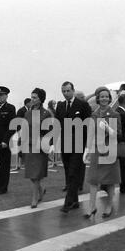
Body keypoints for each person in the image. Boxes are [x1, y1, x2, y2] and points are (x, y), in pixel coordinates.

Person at [83, 86, 121, 218]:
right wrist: (87, 149)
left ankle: (109, 206)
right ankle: (91, 207)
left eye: (106, 96)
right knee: (93, 180)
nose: (104, 98)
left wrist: (108, 129)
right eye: (101, 96)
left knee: (110, 181)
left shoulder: (115, 114)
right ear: (98, 99)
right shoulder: (93, 115)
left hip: (109, 150)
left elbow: (118, 134)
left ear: (109, 98)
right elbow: (90, 133)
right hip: (96, 150)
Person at [54, 81, 92, 213]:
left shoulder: (82, 105)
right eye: (63, 91)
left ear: (73, 90)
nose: (65, 93)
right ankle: (75, 201)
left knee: (72, 173)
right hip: (65, 144)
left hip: (78, 144)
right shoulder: (60, 106)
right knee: (68, 172)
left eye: (68, 91)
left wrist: (87, 145)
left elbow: (88, 124)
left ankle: (68, 202)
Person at [23, 88, 52, 208]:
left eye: (35, 97)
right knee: (31, 173)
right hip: (28, 144)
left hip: (40, 146)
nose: (32, 99)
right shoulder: (27, 113)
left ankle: (34, 198)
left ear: (41, 99)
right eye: (31, 97)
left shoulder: (46, 114)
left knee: (36, 174)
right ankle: (41, 189)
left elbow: (50, 131)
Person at [15, 98, 32, 170]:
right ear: (27, 103)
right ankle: (19, 164)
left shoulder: (30, 111)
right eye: (30, 102)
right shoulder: (21, 111)